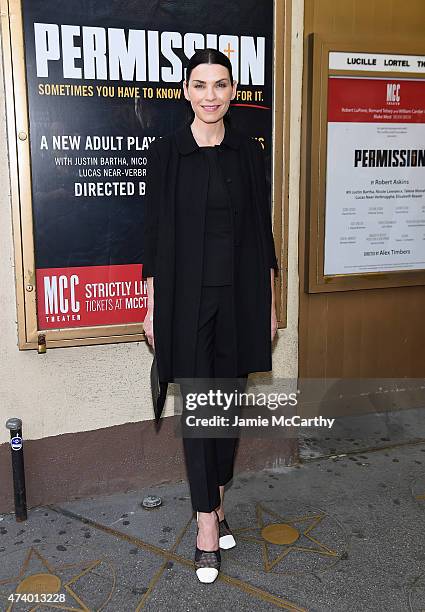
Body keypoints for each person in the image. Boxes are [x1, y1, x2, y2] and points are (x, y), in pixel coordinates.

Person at [142, 48, 279, 583]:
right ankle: (205, 526)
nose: (211, 95)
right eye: (200, 85)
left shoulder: (247, 151)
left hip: (240, 298)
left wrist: (269, 307)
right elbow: (153, 238)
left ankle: (216, 498)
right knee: (199, 409)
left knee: (227, 409)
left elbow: (262, 237)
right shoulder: (167, 153)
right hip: (185, 300)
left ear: (232, 92)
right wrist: (152, 307)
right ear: (185, 92)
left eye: (221, 85)